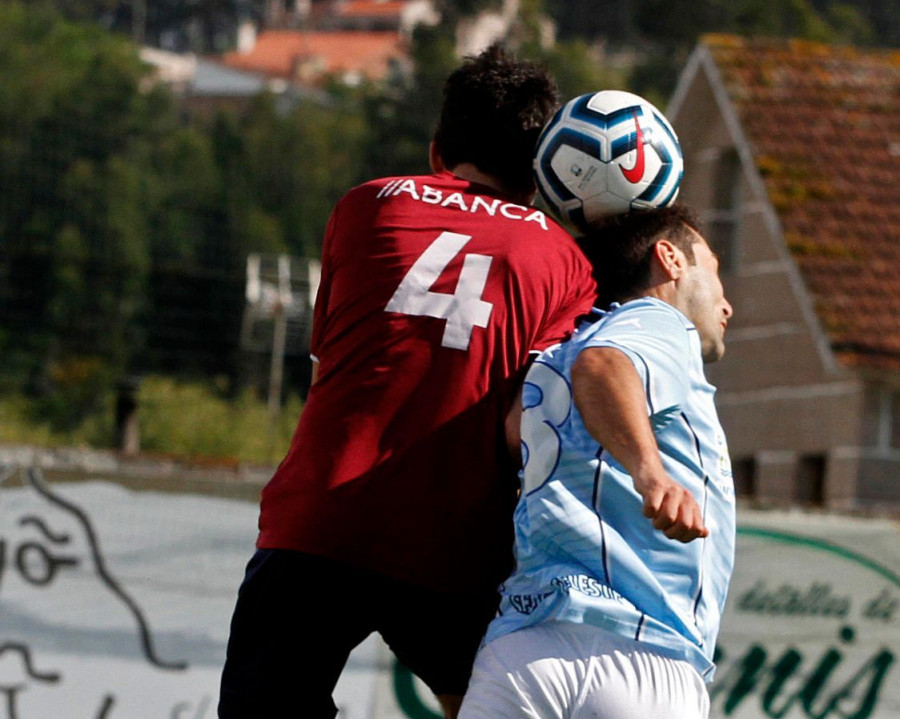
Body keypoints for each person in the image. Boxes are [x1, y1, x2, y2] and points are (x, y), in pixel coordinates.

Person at [218, 44, 598, 719]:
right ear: (539, 176)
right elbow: (531, 416)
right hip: (453, 541)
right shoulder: (564, 259)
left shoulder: (366, 207)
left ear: (435, 151)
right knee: (485, 708)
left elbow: (329, 355)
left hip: (320, 518)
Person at [458, 206, 736, 719]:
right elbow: (606, 364)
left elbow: (514, 431)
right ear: (670, 258)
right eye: (715, 270)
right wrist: (652, 474)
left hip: (524, 646)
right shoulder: (659, 321)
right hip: (642, 655)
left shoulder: (557, 349)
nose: (727, 304)